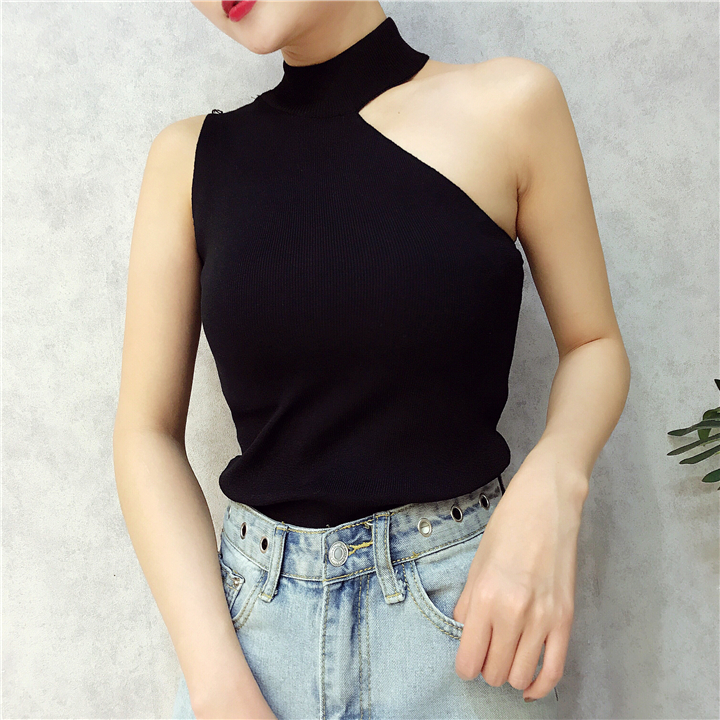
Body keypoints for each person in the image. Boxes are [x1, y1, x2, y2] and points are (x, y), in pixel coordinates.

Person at [112, 1, 631, 719]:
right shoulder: (188, 159)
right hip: (251, 644)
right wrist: (215, 680)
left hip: (464, 621)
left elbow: (594, 344)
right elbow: (144, 434)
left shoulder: (511, 105)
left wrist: (555, 483)